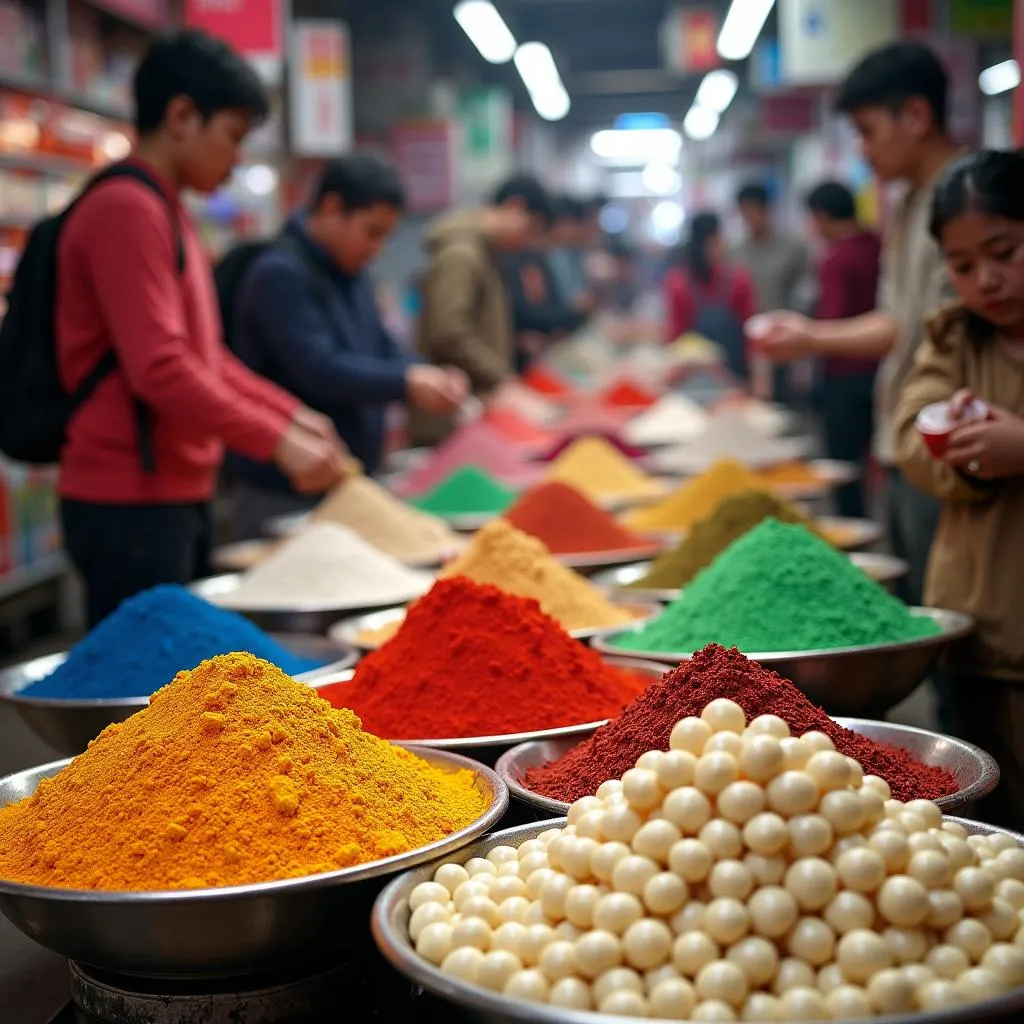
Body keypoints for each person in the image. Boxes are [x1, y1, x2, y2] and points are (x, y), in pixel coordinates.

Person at [55, 30, 348, 628]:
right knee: (148, 709)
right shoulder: (127, 210)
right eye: (234, 137)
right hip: (127, 502)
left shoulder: (167, 210)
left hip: (167, 492)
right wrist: (276, 441)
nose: (239, 158)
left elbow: (203, 355)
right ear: (182, 116)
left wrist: (288, 415)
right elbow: (161, 367)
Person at [756, 41, 960, 610]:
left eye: (868, 131)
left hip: (948, 442)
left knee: (945, 607)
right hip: (908, 440)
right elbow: (900, 318)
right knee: (921, 595)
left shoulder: (960, 201)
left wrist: (810, 338)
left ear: (916, 116)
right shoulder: (910, 202)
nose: (863, 151)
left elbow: (910, 327)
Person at [226, 154, 468, 538]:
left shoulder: (352, 273)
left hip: (346, 483)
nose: (378, 247)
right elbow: (319, 368)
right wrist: (407, 382)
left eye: (385, 235)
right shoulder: (278, 274)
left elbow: (383, 348)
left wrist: (426, 373)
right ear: (331, 208)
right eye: (371, 232)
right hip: (285, 491)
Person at [894, 151, 1024, 828]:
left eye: (1004, 251)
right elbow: (912, 432)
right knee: (1000, 817)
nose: (987, 280)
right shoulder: (952, 340)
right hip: (985, 629)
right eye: (964, 266)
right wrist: (967, 452)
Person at [411, 174, 554, 445]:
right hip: (451, 412)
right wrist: (501, 379)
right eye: (529, 230)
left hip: (472, 406)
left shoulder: (485, 252)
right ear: (515, 206)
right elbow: (449, 332)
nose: (525, 241)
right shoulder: (462, 254)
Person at [805, 181, 883, 518]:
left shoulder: (835, 259)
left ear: (822, 216)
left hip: (843, 375)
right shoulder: (878, 244)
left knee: (844, 461)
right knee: (876, 451)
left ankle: (853, 525)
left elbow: (831, 318)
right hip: (880, 367)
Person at [664, 212, 757, 379]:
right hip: (693, 377)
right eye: (715, 241)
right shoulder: (680, 284)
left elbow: (752, 334)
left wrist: (759, 380)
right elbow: (676, 338)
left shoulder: (737, 281)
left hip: (735, 376)